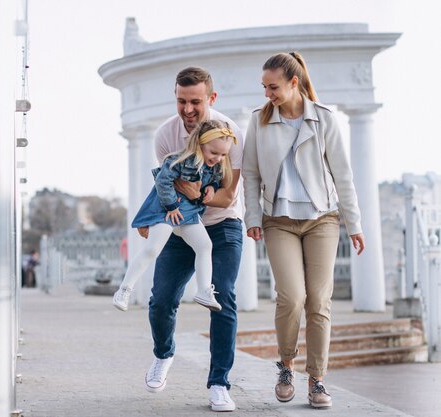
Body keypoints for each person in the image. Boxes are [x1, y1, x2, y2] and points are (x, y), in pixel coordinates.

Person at [242, 52, 365, 409]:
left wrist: (354, 224)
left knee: (319, 300)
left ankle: (317, 380)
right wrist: (253, 217)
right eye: (264, 87)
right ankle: (285, 364)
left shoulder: (323, 119)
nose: (268, 94)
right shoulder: (259, 121)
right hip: (278, 220)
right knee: (292, 297)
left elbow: (343, 176)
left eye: (274, 87)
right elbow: (250, 174)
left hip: (322, 220)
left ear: (294, 82)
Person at [141, 67, 244, 412]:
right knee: (161, 299)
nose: (187, 109)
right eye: (181, 101)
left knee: (223, 296)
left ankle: (219, 383)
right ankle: (163, 353)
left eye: (195, 102)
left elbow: (227, 196)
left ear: (211, 99)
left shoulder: (231, 134)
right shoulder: (164, 136)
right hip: (182, 225)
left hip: (223, 224)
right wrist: (152, 219)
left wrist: (196, 194)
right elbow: (169, 191)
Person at [113, 119, 236, 313]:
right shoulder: (179, 160)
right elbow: (163, 181)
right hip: (167, 210)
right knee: (153, 248)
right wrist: (171, 206)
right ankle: (125, 289)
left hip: (188, 214)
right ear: (200, 145)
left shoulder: (214, 167)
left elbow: (215, 181)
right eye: (214, 152)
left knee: (205, 245)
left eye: (223, 154)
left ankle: (204, 290)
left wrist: (211, 188)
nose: (218, 158)